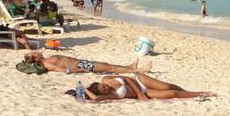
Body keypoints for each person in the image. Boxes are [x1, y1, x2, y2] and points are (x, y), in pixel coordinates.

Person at [80, 73, 214, 102]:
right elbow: (96, 98)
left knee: (167, 86)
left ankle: (189, 92)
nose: (106, 87)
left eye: (103, 86)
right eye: (104, 88)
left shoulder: (106, 79)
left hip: (140, 80)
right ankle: (199, 93)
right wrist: (84, 89)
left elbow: (128, 79)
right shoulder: (107, 95)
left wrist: (139, 94)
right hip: (146, 92)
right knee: (172, 93)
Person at [24, 52, 152, 74]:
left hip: (81, 62)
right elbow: (64, 70)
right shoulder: (47, 64)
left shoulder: (47, 59)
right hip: (81, 65)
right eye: (34, 53)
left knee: (105, 64)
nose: (36, 51)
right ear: (36, 59)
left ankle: (129, 66)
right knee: (110, 68)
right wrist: (80, 69)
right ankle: (138, 71)